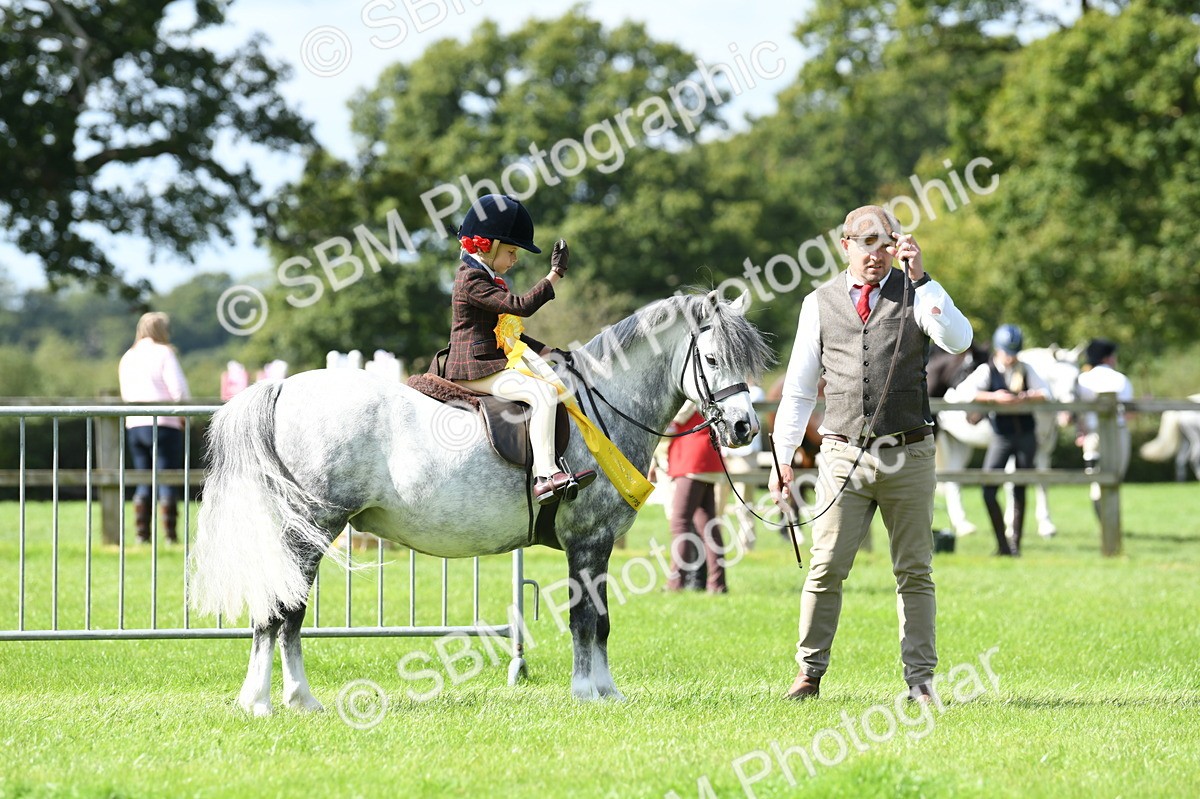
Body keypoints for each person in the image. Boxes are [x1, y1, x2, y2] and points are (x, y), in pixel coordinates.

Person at [771, 205, 972, 702]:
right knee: (825, 568)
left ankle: (920, 682)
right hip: (841, 457)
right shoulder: (817, 303)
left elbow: (959, 339)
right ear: (845, 246)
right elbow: (798, 391)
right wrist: (781, 456)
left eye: (885, 243)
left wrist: (923, 279)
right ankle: (808, 674)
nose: (875, 254)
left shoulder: (918, 295)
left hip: (910, 452)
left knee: (915, 571)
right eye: (866, 243)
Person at [444, 193, 595, 506]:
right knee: (542, 394)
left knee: (550, 383)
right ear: (490, 246)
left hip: (488, 362)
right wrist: (555, 275)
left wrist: (555, 354)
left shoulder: (489, 279)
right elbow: (522, 307)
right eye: (511, 251)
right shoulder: (471, 280)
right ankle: (546, 476)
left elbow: (509, 334)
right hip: (472, 369)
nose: (514, 259)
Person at [963, 324, 1049, 557]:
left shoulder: (1026, 369)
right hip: (1001, 436)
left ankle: (1015, 546)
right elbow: (965, 391)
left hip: (1026, 436)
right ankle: (1002, 543)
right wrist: (994, 398)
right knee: (988, 489)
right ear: (997, 349)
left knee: (1020, 487)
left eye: (1013, 352)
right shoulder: (986, 370)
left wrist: (1028, 396)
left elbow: (1046, 393)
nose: (1010, 357)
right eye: (1006, 352)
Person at [118, 312, 191, 543]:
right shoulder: (164, 353)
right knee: (167, 476)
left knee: (143, 477)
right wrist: (187, 415)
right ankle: (170, 535)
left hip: (135, 423)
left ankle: (142, 535)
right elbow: (178, 391)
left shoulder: (128, 356)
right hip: (163, 423)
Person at [661, 401, 728, 593]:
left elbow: (674, 421)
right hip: (709, 458)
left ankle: (675, 583)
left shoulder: (687, 396)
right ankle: (717, 584)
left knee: (680, 523)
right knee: (708, 526)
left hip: (691, 460)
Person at [1074, 338, 1134, 518]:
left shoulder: (1082, 380)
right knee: (1114, 479)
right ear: (1107, 358)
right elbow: (1127, 414)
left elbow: (1077, 412)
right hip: (1118, 433)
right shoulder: (1121, 379)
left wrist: (1080, 431)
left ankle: (1102, 519)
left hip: (1092, 434)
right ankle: (1110, 523)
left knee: (1095, 482)